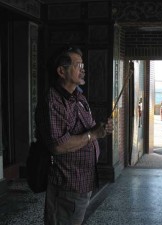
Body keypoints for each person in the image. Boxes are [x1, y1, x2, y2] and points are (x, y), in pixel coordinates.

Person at [35, 46, 113, 225]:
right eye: (78, 65)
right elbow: (58, 145)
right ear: (62, 71)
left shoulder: (79, 97)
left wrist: (101, 129)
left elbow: (88, 129)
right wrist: (92, 135)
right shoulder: (53, 102)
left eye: (83, 65)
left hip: (83, 181)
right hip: (67, 185)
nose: (83, 69)